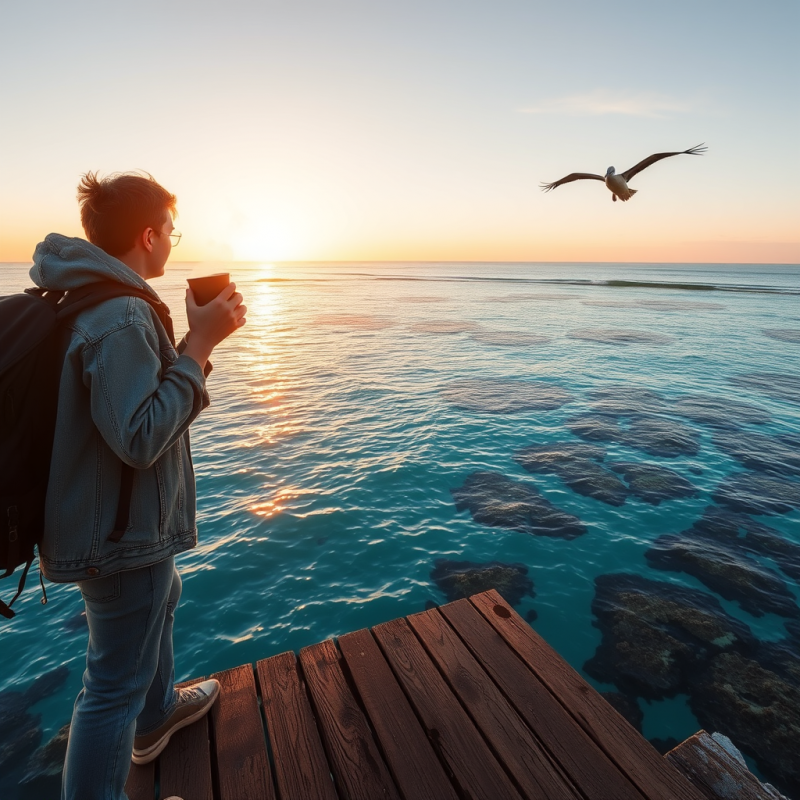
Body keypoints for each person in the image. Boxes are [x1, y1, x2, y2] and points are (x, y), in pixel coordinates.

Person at [30, 171, 246, 800]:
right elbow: (142, 437)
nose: (175, 241)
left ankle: (154, 719)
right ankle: (139, 717)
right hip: (121, 534)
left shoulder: (93, 297)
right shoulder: (122, 314)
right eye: (172, 231)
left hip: (106, 521)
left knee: (164, 593)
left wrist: (191, 349)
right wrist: (200, 345)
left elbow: (128, 416)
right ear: (149, 236)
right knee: (109, 690)